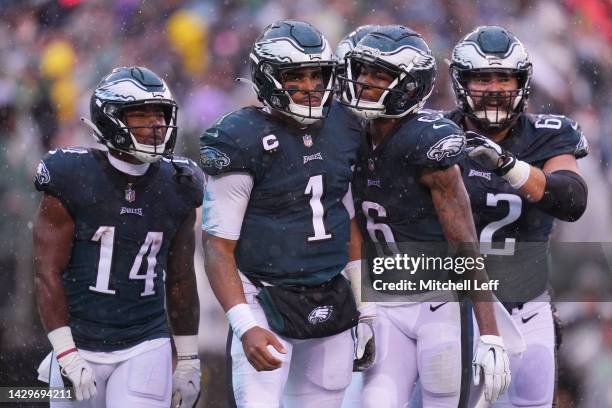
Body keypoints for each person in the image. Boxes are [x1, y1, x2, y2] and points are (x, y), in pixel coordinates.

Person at [339, 25, 511, 407]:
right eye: (363, 71)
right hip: (382, 299)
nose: (364, 82)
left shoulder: (426, 140)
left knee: (444, 398)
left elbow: (463, 239)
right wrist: (362, 308)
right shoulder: (350, 133)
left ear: (409, 85)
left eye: (379, 75)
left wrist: (490, 333)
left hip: (439, 302)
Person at [200, 20, 367, 407]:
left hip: (330, 292)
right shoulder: (240, 137)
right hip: (264, 296)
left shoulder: (345, 124)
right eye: (296, 76)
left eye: (317, 75)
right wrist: (244, 325)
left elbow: (350, 220)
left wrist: (367, 306)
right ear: (268, 78)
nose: (310, 86)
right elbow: (217, 246)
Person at [33, 66, 203, 407]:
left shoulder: (179, 183)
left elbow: (181, 278)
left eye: (160, 114)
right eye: (141, 114)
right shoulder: (71, 174)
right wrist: (66, 352)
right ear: (110, 119)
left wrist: (187, 359)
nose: (156, 124)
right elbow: (46, 272)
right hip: (79, 339)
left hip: (145, 341)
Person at [445, 25, 588, 407]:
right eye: (482, 78)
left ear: (522, 82)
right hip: (448, 307)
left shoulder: (547, 135)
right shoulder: (435, 135)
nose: (494, 88)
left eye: (504, 77)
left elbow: (572, 200)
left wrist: (510, 166)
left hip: (526, 307)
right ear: (462, 83)